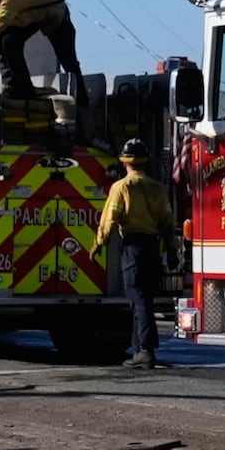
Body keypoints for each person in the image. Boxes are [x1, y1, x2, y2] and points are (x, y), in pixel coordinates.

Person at [91, 139, 178, 369]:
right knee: (144, 299)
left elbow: (111, 217)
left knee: (138, 299)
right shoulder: (158, 188)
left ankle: (146, 350)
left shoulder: (121, 187)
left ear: (125, 162)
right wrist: (172, 251)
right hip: (153, 248)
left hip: (133, 248)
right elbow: (167, 222)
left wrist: (99, 243)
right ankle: (139, 349)